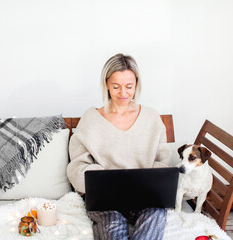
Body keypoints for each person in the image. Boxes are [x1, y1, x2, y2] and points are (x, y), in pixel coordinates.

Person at [67, 53, 172, 240]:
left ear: (137, 85)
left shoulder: (151, 118)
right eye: (116, 87)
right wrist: (102, 182)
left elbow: (162, 162)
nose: (123, 93)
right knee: (111, 226)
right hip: (104, 200)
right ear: (106, 84)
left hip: (145, 198)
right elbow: (77, 165)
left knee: (155, 216)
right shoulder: (91, 120)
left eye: (129, 87)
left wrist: (151, 183)